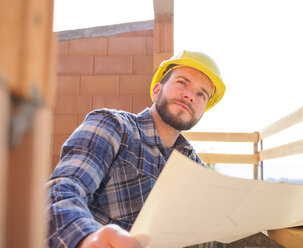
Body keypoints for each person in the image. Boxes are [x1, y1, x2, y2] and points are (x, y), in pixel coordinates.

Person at [46, 50, 226, 248]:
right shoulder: (112, 126)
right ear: (157, 90)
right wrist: (84, 238)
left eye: (202, 94)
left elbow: (216, 226)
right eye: (182, 82)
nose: (190, 95)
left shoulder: (194, 167)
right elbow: (62, 188)